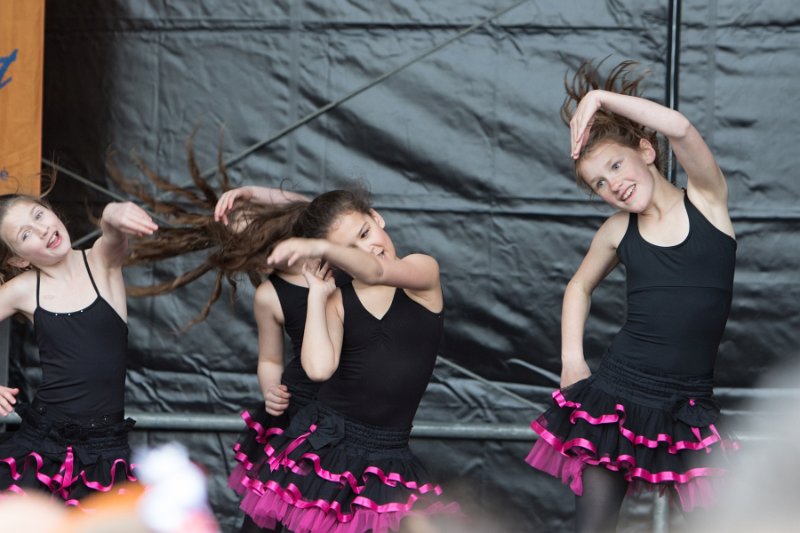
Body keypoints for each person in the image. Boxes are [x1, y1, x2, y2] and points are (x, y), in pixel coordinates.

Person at [525, 60, 738, 532]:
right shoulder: (617, 230)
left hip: (687, 404)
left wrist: (597, 99)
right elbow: (578, 286)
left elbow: (680, 127)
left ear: (645, 150)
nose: (612, 184)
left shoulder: (706, 199)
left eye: (616, 165)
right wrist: (571, 361)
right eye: (599, 183)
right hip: (617, 396)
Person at [232, 189, 458, 533]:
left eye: (366, 233)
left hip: (388, 451)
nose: (367, 247)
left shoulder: (422, 273)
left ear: (377, 218)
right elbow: (319, 368)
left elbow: (378, 270)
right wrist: (318, 297)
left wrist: (322, 246)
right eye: (348, 248)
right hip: (324, 443)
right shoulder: (336, 299)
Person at [0, 193, 157, 504]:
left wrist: (115, 212)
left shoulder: (101, 262)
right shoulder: (23, 288)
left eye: (39, 215)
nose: (41, 229)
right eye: (26, 234)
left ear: (52, 212)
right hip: (42, 442)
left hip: (104, 448)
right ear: (19, 259)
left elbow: (111, 233)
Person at [214, 186, 331, 533]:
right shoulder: (269, 295)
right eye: (246, 247)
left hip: (350, 405)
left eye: (261, 237)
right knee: (285, 509)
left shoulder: (331, 254)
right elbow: (269, 357)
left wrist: (252, 193)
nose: (259, 251)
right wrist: (271, 389)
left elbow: (314, 206)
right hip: (301, 410)